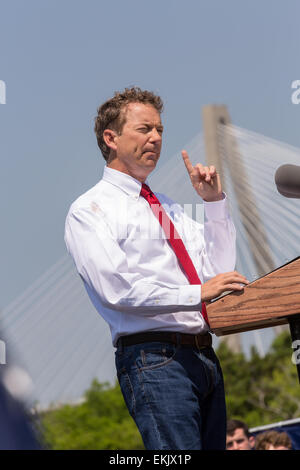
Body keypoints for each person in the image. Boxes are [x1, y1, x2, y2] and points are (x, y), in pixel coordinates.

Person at [64, 86, 249, 450]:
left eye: (160, 130)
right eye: (144, 129)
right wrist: (198, 293)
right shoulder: (90, 210)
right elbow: (116, 290)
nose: (156, 138)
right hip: (154, 361)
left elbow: (218, 270)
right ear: (111, 138)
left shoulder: (166, 207)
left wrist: (212, 204)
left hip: (204, 356)